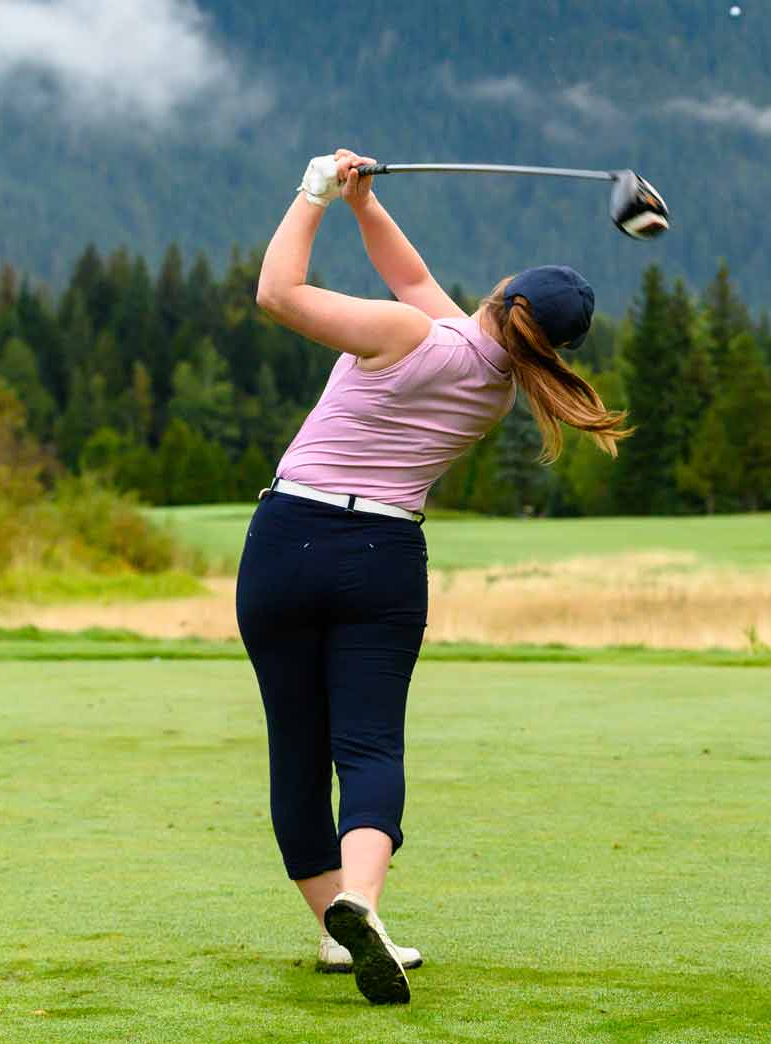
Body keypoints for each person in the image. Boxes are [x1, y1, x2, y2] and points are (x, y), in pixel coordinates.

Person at [241, 148, 632, 1005]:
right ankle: (359, 908)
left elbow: (278, 293)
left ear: (501, 295)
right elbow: (414, 277)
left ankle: (334, 929)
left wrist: (310, 192)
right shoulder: (495, 380)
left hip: (289, 541)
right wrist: (364, 204)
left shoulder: (410, 334)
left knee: (298, 754)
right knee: (371, 745)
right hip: (385, 559)